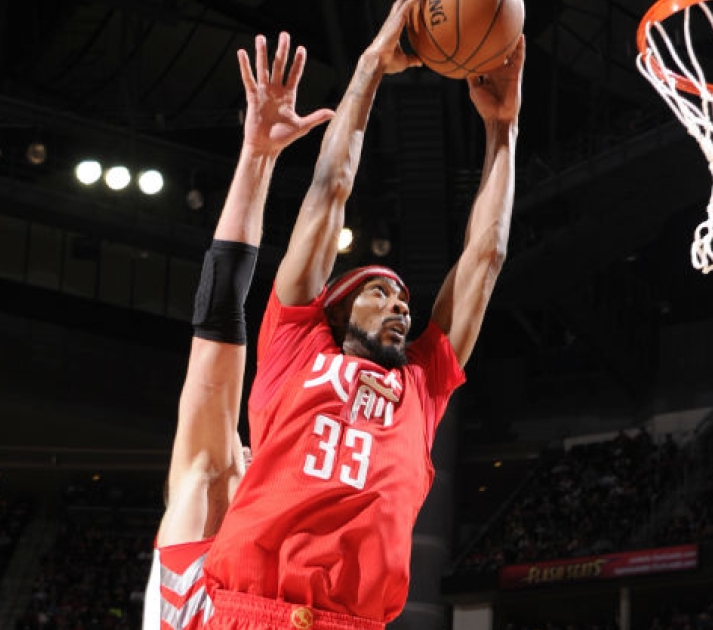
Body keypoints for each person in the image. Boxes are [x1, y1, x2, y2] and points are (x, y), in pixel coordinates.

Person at [202, 0, 527, 628]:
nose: (401, 304)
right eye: (380, 292)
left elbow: (486, 258)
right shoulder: (296, 346)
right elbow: (330, 191)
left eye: (405, 300)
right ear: (336, 307)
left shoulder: (422, 385)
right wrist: (371, 66)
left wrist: (503, 130)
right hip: (252, 610)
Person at [141, 32, 334, 630]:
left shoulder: (275, 568)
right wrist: (257, 157)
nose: (248, 450)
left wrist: (259, 157)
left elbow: (219, 315)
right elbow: (220, 317)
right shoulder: (207, 490)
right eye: (248, 449)